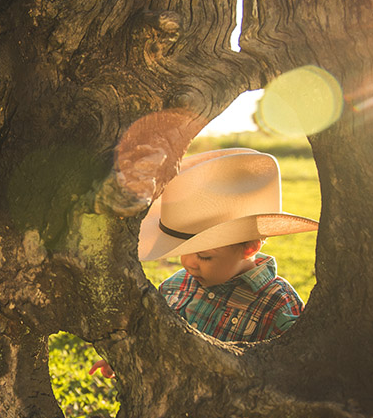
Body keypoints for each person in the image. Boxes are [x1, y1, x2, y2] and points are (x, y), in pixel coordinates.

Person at [92, 148, 318, 376]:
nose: (188, 263)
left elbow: (294, 372)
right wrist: (128, 356)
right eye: (182, 251)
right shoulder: (174, 286)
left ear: (249, 247)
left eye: (204, 256)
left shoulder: (278, 306)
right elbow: (156, 338)